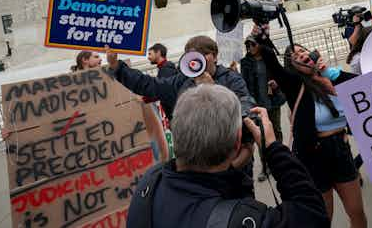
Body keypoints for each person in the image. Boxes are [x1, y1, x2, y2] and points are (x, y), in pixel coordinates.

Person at [126, 84, 329, 228]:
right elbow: (312, 214)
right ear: (237, 140)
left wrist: (231, 173)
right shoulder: (243, 219)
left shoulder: (150, 182)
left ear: (175, 130)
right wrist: (274, 149)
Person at [255, 28, 367, 227]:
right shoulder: (295, 85)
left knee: (356, 211)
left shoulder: (330, 77)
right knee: (323, 218)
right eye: (295, 56)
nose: (301, 55)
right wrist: (261, 37)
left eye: (303, 51)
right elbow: (272, 63)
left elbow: (364, 87)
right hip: (314, 158)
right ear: (293, 67)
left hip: (341, 152)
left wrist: (331, 74)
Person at [106, 35, 257, 175]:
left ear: (215, 56)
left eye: (204, 54)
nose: (199, 60)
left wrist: (213, 89)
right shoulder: (182, 81)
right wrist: (117, 67)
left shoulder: (231, 79)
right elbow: (150, 85)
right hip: (198, 164)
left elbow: (246, 107)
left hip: (232, 163)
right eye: (194, 56)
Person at [70, 50, 169, 163]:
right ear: (85, 60)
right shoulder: (74, 87)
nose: (101, 60)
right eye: (96, 56)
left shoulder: (111, 78)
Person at [240, 36, 286, 181]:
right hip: (257, 105)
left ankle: (280, 160)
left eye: (253, 44)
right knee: (261, 135)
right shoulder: (246, 62)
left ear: (259, 45)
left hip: (272, 101)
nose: (250, 48)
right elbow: (244, 83)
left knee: (276, 130)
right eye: (248, 46)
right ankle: (265, 167)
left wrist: (276, 84)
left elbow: (280, 74)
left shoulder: (269, 58)